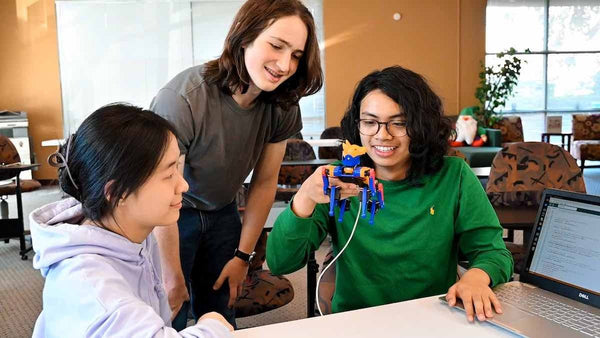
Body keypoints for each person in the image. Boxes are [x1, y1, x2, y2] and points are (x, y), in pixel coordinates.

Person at [266, 66, 514, 323]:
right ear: (357, 125)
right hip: (357, 324)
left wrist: (476, 276)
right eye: (370, 122)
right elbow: (280, 263)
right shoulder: (338, 181)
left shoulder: (455, 175)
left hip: (434, 322)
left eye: (399, 123)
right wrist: (304, 197)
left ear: (420, 126)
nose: (382, 135)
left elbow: (494, 252)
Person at [149, 0, 323, 329]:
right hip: (172, 213)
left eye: (297, 55)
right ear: (245, 37)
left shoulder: (283, 104)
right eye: (276, 45)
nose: (285, 64)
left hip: (224, 211)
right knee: (167, 311)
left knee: (220, 314)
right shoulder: (183, 99)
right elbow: (161, 191)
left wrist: (243, 256)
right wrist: (172, 275)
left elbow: (264, 181)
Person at [30, 103, 234, 337]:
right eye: (169, 175)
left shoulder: (133, 236)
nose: (184, 185)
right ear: (118, 193)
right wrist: (213, 324)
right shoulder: (90, 284)